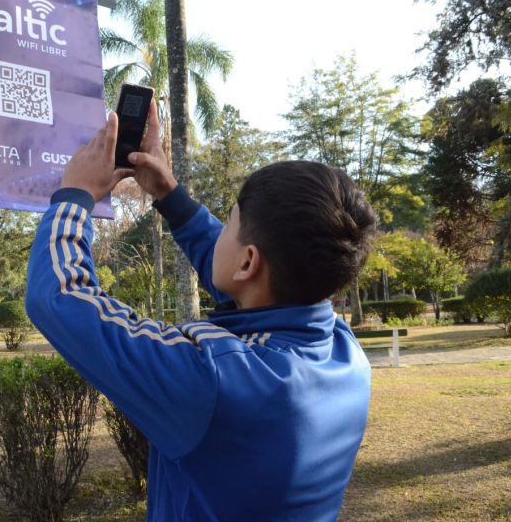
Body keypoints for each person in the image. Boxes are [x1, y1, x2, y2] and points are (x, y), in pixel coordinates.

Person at [25, 100, 377, 521]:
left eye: (229, 223)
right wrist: (169, 196)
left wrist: (74, 197)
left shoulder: (213, 379)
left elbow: (62, 298)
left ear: (248, 261)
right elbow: (249, 283)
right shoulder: (343, 348)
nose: (221, 231)